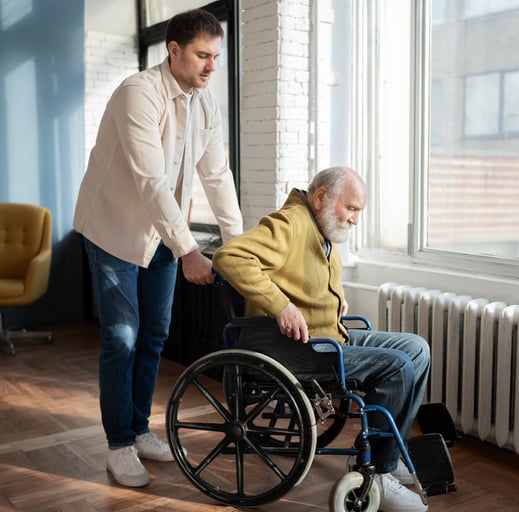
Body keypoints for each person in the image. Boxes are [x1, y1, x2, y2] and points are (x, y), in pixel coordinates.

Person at [73, 9, 242, 488]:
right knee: (122, 338)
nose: (212, 66)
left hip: (167, 237)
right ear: (173, 50)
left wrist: (237, 243)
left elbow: (216, 176)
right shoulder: (138, 94)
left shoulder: (205, 103)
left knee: (153, 337)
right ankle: (119, 445)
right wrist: (190, 249)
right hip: (115, 233)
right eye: (203, 55)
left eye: (216, 56)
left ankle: (139, 428)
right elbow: (150, 182)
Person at [212, 166, 430, 512]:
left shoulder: (323, 230)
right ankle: (378, 471)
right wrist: (281, 306)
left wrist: (336, 297)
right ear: (322, 197)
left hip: (328, 336)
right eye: (352, 208)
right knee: (397, 366)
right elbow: (229, 257)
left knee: (416, 349)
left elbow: (313, 275)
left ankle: (388, 450)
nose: (356, 219)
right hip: (292, 346)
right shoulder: (290, 223)